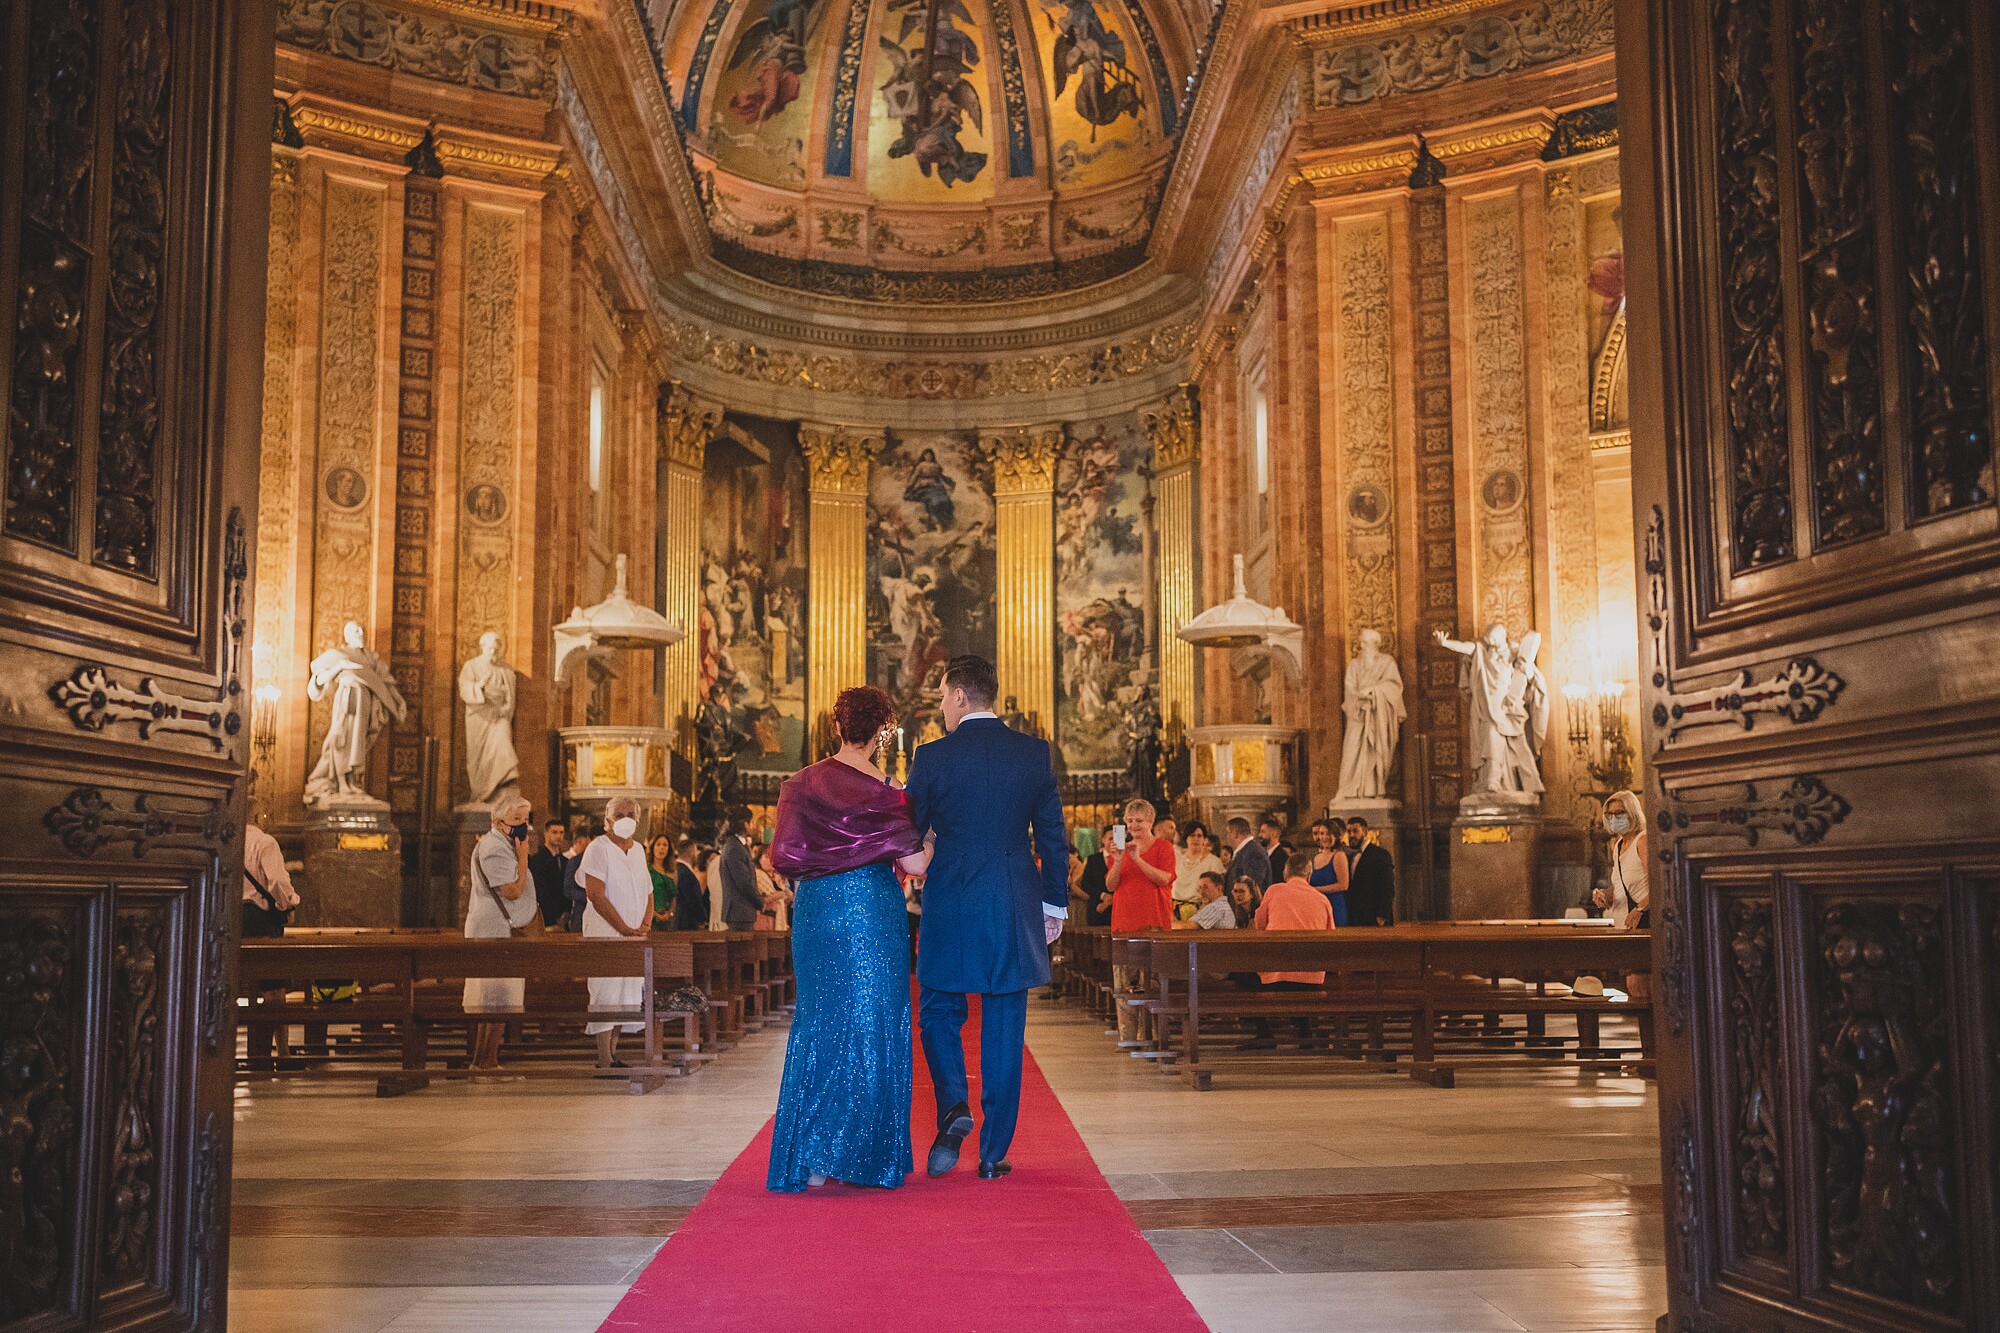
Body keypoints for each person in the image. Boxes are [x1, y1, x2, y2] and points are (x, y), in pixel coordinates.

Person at [907, 654, 1069, 1182]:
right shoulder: (1032, 754)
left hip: (951, 902)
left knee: (937, 1008)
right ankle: (992, 1154)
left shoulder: (932, 758)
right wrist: (1054, 905)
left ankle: (954, 1103)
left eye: (941, 699)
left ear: (958, 696)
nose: (941, 709)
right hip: (1010, 903)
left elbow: (908, 833)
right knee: (1004, 1025)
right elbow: (1052, 840)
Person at [766, 686, 930, 1192]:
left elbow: (783, 858)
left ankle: (813, 1155)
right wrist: (933, 833)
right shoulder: (890, 791)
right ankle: (865, 1154)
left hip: (819, 912)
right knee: (876, 1023)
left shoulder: (801, 784)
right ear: (883, 732)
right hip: (875, 912)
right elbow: (917, 865)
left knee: (819, 1023)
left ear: (836, 727)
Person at [463, 796, 537, 1071]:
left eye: (526, 820)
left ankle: (485, 1060)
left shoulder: (503, 843)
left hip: (500, 928)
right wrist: (523, 856)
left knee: (497, 1000)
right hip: (494, 929)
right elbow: (512, 891)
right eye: (517, 820)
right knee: (496, 998)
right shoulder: (493, 848)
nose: (523, 826)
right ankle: (485, 1062)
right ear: (497, 822)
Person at [579, 797, 653, 1070]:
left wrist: (645, 925)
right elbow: (595, 895)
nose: (624, 818)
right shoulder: (598, 849)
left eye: (630, 813)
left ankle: (613, 1052)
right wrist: (623, 929)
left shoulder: (638, 850)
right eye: (618, 814)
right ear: (607, 820)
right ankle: (603, 1057)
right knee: (605, 991)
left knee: (627, 992)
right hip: (605, 933)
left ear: (637, 818)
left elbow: (648, 891)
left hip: (633, 934)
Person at [1104, 797, 1176, 1043]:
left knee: (1153, 983)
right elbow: (1111, 885)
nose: (1134, 825)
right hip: (1123, 923)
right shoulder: (1120, 850)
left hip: (1153, 922)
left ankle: (1154, 1035)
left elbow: (1164, 879)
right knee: (1123, 982)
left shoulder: (1163, 847)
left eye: (1139, 821)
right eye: (1130, 820)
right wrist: (1120, 861)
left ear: (1150, 822)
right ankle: (1128, 1037)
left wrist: (1138, 859)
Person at [1239, 874, 1336, 1049]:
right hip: (1312, 980)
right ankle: (1305, 1035)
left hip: (1278, 979)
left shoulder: (1275, 890)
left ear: (1284, 874)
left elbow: (1259, 924)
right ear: (1309, 875)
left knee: (1243, 974)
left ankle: (1264, 1032)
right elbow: (1331, 936)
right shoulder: (1322, 899)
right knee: (1300, 971)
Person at [1591, 790, 1650, 999]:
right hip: (1624, 925)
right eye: (1609, 814)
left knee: (1639, 985)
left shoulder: (1642, 842)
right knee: (1632, 986)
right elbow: (1621, 885)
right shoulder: (1618, 846)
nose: (1614, 818)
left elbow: (1660, 884)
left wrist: (1640, 908)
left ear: (1632, 813)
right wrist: (1606, 895)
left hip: (1641, 923)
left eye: (1619, 813)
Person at [241, 800, 300, 938]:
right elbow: (277, 881)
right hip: (258, 919)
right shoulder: (265, 842)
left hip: (228, 916)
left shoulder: (230, 841)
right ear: (258, 817)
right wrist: (288, 905)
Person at [1345, 817, 1396, 926]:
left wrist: (1382, 914)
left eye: (1355, 831)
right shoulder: (1349, 856)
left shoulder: (1380, 854)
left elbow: (1387, 886)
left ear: (1365, 832)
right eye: (1349, 831)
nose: (1351, 835)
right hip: (1354, 916)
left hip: (1374, 915)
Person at [717, 811, 762, 930]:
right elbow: (743, 882)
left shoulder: (738, 846)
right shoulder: (734, 848)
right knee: (743, 948)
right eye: (751, 822)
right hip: (739, 912)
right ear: (745, 824)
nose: (753, 826)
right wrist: (759, 902)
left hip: (742, 912)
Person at [1170, 822, 1224, 919]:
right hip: (1174, 912)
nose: (1195, 839)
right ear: (1186, 838)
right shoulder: (1176, 857)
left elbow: (1217, 892)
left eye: (1199, 836)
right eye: (1192, 835)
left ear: (1204, 839)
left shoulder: (1214, 862)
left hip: (1201, 912)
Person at [1304, 819, 1351, 927]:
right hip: (1318, 906)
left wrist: (1316, 890)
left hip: (1334, 905)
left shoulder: (1339, 855)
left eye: (1328, 833)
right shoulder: (1316, 858)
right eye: (1321, 833)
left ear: (1335, 835)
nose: (1324, 837)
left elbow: (1343, 885)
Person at [528, 818, 568, 928]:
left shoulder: (565, 861)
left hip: (564, 916)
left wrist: (565, 913)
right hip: (546, 917)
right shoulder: (537, 860)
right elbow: (540, 891)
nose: (558, 836)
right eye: (554, 832)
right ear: (546, 834)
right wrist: (554, 917)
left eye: (561, 832)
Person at [561, 819, 599, 931]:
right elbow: (568, 890)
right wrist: (590, 897)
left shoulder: (612, 862)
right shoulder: (576, 861)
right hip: (582, 913)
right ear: (589, 841)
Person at [1223, 816, 1273, 892]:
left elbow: (1251, 890)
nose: (1226, 837)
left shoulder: (1254, 853)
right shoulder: (1246, 851)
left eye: (1228, 833)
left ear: (1236, 833)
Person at [671, 837, 709, 930]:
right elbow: (693, 898)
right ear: (692, 852)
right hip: (684, 922)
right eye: (695, 851)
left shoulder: (675, 868)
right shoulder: (685, 872)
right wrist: (703, 918)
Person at [1075, 826, 1110, 926]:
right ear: (1103, 839)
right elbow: (1085, 883)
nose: (1113, 842)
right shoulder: (1093, 860)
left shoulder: (1125, 858)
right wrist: (1102, 895)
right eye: (1110, 838)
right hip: (1097, 907)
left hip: (1118, 908)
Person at [648, 834, 676, 927]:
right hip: (649, 917)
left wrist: (670, 913)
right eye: (658, 844)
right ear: (652, 848)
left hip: (666, 919)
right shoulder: (646, 870)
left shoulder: (672, 871)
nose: (662, 848)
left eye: (665, 845)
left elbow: (674, 897)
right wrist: (654, 914)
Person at [1259, 815, 1291, 881]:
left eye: (1263, 832)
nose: (1259, 835)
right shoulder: (1263, 854)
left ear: (1273, 834)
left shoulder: (1282, 857)